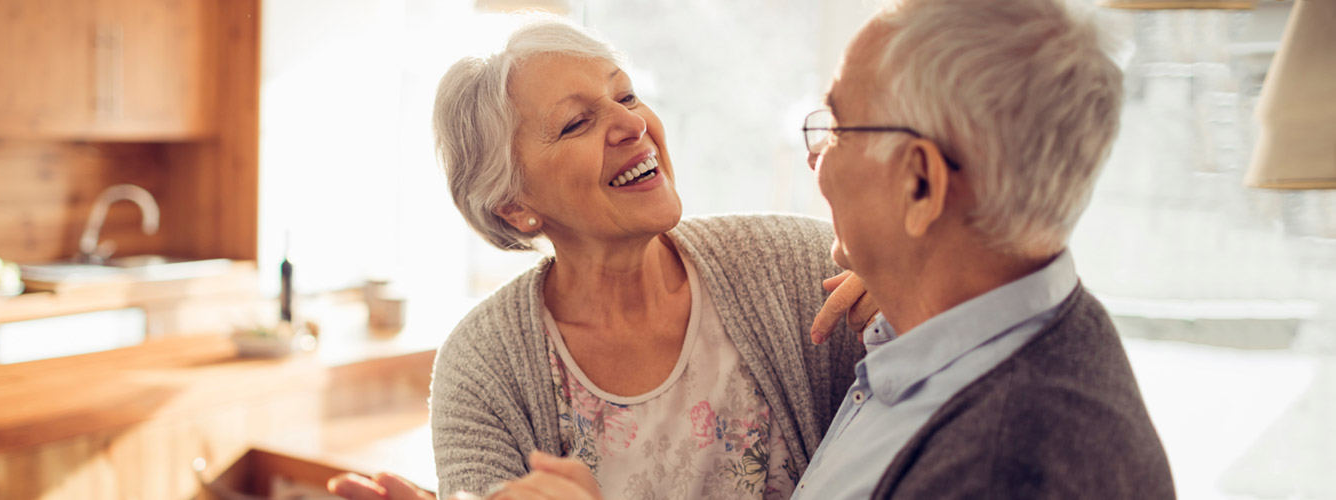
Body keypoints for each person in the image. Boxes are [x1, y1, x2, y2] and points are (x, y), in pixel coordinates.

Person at [496, 0, 1176, 498]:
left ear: (920, 183)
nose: (818, 160)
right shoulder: (967, 335)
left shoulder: (1002, 467)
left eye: (839, 127)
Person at [329, 14, 877, 500]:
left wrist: (919, 296)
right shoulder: (482, 369)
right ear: (515, 206)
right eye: (577, 122)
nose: (633, 124)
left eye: (628, 96)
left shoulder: (799, 269)